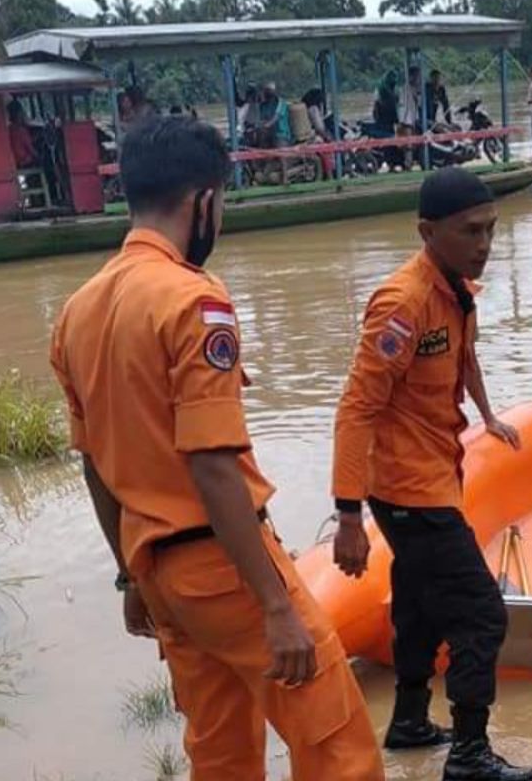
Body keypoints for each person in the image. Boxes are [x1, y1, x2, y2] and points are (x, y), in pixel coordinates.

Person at [49, 116, 384, 781]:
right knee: (337, 747)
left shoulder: (77, 312)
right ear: (204, 201)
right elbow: (211, 463)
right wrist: (275, 605)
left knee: (221, 750)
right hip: (224, 565)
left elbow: (94, 465)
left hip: (158, 573)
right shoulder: (195, 301)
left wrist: (129, 576)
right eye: (222, 204)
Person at [330, 168, 532, 781]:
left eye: (492, 229)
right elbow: (357, 408)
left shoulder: (458, 288)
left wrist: (489, 414)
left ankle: (410, 721)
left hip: (431, 474)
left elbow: (463, 355)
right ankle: (471, 757)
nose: (484, 243)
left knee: (420, 603)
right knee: (482, 615)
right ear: (428, 232)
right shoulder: (403, 305)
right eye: (470, 231)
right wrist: (347, 516)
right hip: (404, 490)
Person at [7, 98, 38, 169]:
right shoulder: (21, 130)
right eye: (22, 112)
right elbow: (31, 150)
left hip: (16, 162)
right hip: (25, 162)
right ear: (19, 114)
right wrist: (40, 157)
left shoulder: (10, 129)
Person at [259, 82, 292, 147]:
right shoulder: (263, 105)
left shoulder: (281, 102)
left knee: (279, 145)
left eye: (269, 90)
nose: (267, 92)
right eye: (266, 90)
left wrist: (266, 125)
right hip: (268, 134)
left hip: (281, 135)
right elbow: (263, 119)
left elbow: (276, 117)